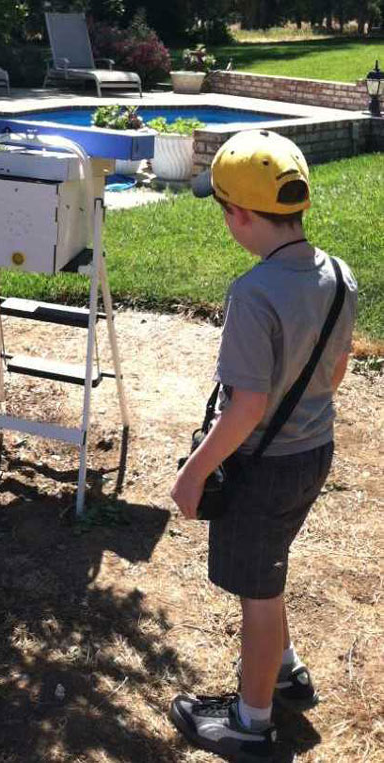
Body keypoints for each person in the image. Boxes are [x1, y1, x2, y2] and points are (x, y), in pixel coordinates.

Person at [169, 130, 357, 761]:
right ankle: (285, 669)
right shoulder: (339, 275)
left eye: (224, 210)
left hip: (262, 468)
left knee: (257, 592)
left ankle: (251, 722)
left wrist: (195, 471)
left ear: (241, 215)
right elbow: (332, 375)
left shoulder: (252, 294)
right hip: (312, 453)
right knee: (269, 568)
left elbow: (246, 406)